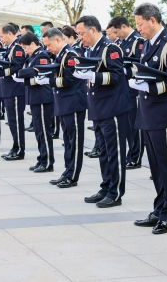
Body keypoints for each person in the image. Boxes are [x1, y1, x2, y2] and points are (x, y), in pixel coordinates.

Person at [131, 3, 167, 234]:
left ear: (153, 20)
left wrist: (150, 88)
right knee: (155, 167)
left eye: (140, 24)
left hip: (164, 114)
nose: (139, 29)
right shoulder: (147, 44)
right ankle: (159, 207)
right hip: (148, 113)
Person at [75, 15, 130, 208]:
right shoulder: (90, 49)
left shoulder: (110, 48)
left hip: (112, 108)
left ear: (92, 30)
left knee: (115, 152)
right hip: (98, 107)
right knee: (104, 152)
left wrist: (94, 75)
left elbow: (116, 76)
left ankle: (116, 192)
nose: (80, 38)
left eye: (82, 33)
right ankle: (106, 186)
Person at [36, 28, 87, 187]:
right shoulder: (61, 55)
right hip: (63, 102)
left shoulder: (70, 55)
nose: (47, 49)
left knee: (75, 141)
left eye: (49, 45)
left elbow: (70, 79)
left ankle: (72, 176)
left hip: (73, 103)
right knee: (68, 140)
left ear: (58, 40)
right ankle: (67, 171)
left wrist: (49, 81)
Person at [108, 16, 145, 169]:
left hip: (134, 89)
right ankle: (131, 154)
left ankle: (135, 157)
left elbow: (140, 66)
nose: (116, 36)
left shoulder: (138, 41)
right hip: (124, 90)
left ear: (124, 27)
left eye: (117, 32)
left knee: (135, 126)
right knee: (128, 126)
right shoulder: (120, 43)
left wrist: (123, 69)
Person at [0, 24, 27, 160]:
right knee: (11, 121)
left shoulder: (17, 48)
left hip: (15, 89)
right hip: (8, 89)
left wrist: (0, 71)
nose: (1, 39)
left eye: (2, 36)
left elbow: (17, 67)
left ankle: (19, 149)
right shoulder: (11, 47)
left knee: (16, 121)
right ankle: (15, 147)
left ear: (10, 34)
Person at [20, 32, 56, 173]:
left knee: (43, 131)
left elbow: (35, 72)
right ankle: (41, 158)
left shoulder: (42, 55)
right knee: (38, 131)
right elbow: (27, 71)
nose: (24, 50)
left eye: (25, 47)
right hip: (35, 97)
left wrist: (24, 72)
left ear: (32, 44)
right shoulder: (33, 56)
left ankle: (47, 162)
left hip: (42, 98)